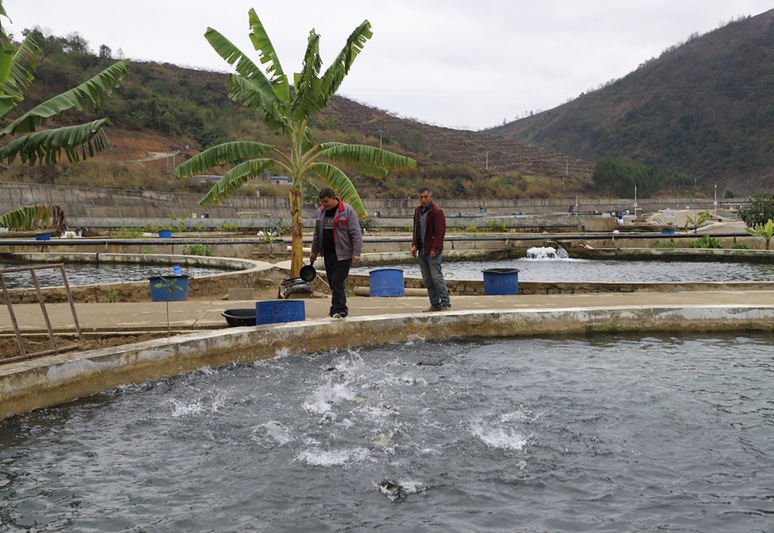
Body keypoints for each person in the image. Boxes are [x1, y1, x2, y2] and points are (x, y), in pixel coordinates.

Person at [309, 188, 362, 319]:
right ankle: (341, 309)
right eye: (322, 202)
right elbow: (317, 233)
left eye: (326, 201)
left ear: (334, 198)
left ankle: (337, 310)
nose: (324, 205)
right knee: (333, 282)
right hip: (328, 253)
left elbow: (356, 233)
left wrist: (356, 252)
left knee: (338, 281)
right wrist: (314, 251)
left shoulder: (348, 211)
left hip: (343, 253)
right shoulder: (320, 212)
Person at [411, 186, 451, 312]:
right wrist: (414, 245)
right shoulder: (418, 211)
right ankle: (435, 304)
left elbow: (440, 233)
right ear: (418, 197)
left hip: (433, 251)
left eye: (426, 197)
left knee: (437, 277)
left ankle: (446, 304)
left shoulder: (437, 211)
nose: (423, 199)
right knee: (428, 279)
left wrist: (435, 249)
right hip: (422, 250)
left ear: (431, 197)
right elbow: (416, 230)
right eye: (421, 197)